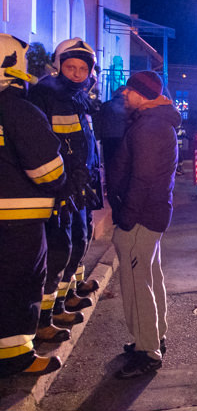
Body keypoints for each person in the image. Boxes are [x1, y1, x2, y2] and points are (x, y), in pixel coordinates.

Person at [0, 35, 67, 377]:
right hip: (19, 223)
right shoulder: (19, 111)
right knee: (19, 286)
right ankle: (16, 357)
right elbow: (48, 171)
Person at [28, 38, 102, 342]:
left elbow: (84, 141)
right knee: (59, 249)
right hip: (61, 187)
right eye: (70, 67)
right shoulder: (47, 93)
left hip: (80, 184)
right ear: (60, 66)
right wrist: (62, 183)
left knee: (80, 238)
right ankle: (47, 316)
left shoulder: (79, 96)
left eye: (81, 68)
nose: (75, 73)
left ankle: (67, 294)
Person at [108, 70, 180, 379]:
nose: (124, 94)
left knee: (137, 285)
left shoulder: (149, 127)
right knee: (150, 277)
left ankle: (147, 352)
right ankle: (153, 337)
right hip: (151, 214)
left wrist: (126, 216)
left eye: (129, 90)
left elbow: (142, 178)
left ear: (142, 94)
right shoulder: (154, 123)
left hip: (140, 217)